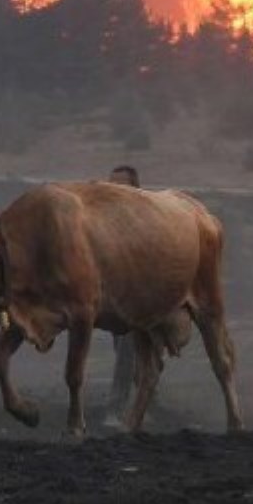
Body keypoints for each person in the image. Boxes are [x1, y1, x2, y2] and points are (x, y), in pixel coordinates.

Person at [104, 165, 141, 425]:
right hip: (116, 296)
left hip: (145, 296)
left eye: (121, 185)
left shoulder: (144, 218)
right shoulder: (106, 220)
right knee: (125, 347)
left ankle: (116, 408)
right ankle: (149, 399)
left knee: (128, 346)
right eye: (111, 185)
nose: (114, 190)